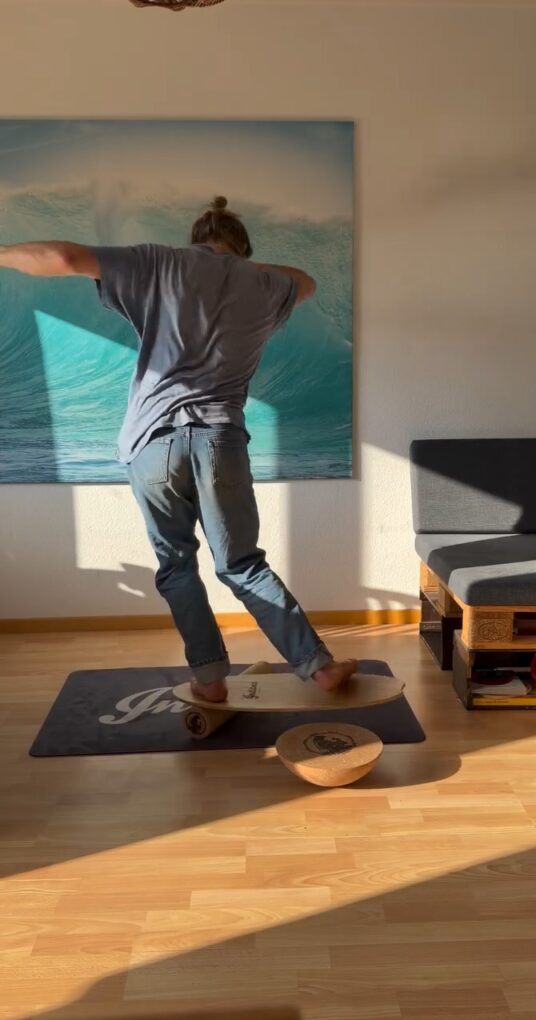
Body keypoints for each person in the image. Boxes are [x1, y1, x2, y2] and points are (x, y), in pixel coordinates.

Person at [0, 197, 357, 702]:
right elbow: (307, 282)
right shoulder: (266, 284)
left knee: (176, 566)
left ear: (197, 240)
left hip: (152, 443)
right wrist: (241, 269)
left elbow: (63, 258)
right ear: (242, 248)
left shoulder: (159, 262)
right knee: (242, 564)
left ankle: (210, 681)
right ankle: (319, 668)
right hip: (221, 440)